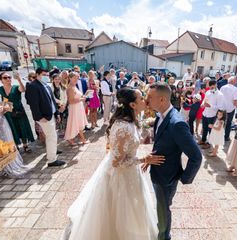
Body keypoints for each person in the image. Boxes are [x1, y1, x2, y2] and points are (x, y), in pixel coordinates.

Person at [62, 87, 165, 240]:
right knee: (120, 212)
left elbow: (124, 149)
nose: (145, 100)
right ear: (132, 105)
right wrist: (145, 159)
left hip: (129, 173)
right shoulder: (123, 127)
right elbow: (118, 163)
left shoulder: (129, 121)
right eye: (141, 98)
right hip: (120, 176)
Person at [146, 82, 202, 240]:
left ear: (162, 99)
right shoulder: (160, 116)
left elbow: (196, 156)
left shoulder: (177, 124)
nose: (146, 99)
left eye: (150, 97)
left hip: (167, 178)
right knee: (161, 207)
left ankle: (164, 237)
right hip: (158, 173)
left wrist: (185, 178)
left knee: (164, 210)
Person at [25, 68, 65, 167]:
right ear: (38, 74)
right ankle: (52, 160)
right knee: (51, 136)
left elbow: (52, 101)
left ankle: (53, 151)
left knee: (52, 136)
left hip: (51, 114)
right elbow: (33, 104)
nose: (46, 76)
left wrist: (57, 114)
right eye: (44, 74)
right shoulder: (32, 86)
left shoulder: (46, 85)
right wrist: (39, 117)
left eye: (47, 75)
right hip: (44, 117)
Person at [0, 83, 30, 177]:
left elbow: (5, 108)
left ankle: (12, 164)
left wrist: (6, 108)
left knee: (8, 141)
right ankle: (4, 167)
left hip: (2, 122)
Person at [0, 72, 34, 152]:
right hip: (8, 113)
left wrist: (19, 80)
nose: (8, 79)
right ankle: (16, 145)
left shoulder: (15, 87)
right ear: (1, 80)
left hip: (19, 111)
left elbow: (23, 89)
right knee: (12, 128)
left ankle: (25, 145)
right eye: (5, 78)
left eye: (9, 77)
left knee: (22, 127)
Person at [198, 79, 224, 149]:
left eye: (212, 87)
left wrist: (210, 106)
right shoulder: (208, 92)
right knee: (204, 128)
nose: (210, 88)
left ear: (216, 85)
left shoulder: (220, 95)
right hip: (205, 113)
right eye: (209, 87)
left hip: (212, 115)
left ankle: (209, 143)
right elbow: (205, 99)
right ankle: (203, 140)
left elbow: (220, 107)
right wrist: (203, 104)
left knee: (211, 130)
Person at [64, 72, 89, 145]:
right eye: (74, 77)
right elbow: (71, 101)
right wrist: (82, 99)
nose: (76, 79)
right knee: (74, 123)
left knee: (78, 123)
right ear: (70, 78)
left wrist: (83, 97)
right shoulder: (70, 88)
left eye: (77, 77)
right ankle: (78, 139)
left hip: (78, 107)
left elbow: (77, 97)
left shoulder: (74, 86)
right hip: (74, 108)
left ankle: (80, 139)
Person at [220, 76, 237, 141]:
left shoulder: (222, 87)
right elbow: (235, 101)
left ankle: (218, 135)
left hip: (222, 108)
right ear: (232, 81)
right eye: (235, 81)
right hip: (230, 109)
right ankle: (226, 137)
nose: (236, 82)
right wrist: (236, 107)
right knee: (228, 123)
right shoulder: (235, 89)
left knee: (220, 122)